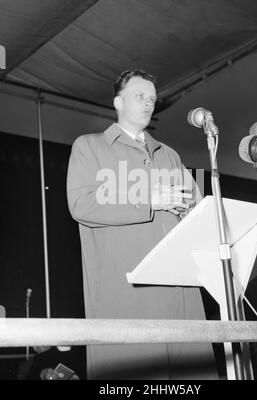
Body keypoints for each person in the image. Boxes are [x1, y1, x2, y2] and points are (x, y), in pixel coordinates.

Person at [67, 69, 217, 379]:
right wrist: (148, 200)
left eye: (152, 99)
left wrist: (192, 210)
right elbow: (81, 204)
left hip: (178, 294)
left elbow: (197, 215)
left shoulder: (170, 156)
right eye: (140, 97)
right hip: (125, 293)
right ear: (118, 102)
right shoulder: (89, 146)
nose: (149, 104)